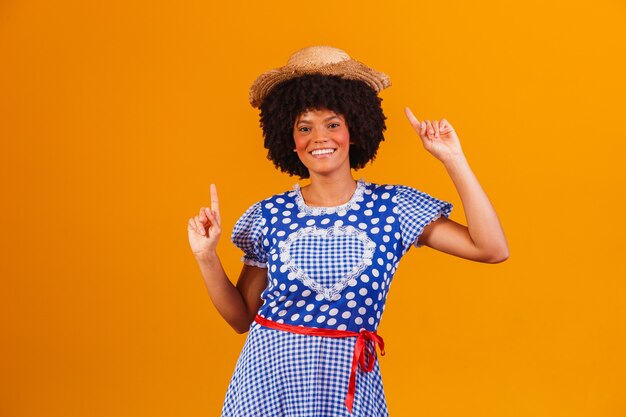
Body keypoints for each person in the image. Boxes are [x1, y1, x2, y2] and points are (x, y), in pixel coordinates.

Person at [187, 46, 509, 416]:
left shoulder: (393, 208)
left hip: (347, 384)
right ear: (290, 141)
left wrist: (453, 160)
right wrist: (206, 256)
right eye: (304, 127)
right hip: (266, 381)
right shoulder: (268, 215)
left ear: (354, 129)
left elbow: (491, 248)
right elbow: (242, 319)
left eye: (333, 123)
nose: (318, 137)